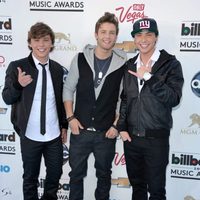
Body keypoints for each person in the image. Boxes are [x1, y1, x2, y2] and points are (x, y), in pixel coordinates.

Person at [117, 18, 184, 200]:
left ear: (156, 37)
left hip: (156, 140)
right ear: (134, 38)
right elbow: (125, 99)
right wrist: (122, 127)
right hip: (132, 140)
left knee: (156, 192)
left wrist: (149, 77)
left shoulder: (170, 64)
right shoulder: (130, 64)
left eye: (149, 34)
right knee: (137, 189)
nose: (143, 39)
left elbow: (173, 98)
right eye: (139, 35)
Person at [63, 12, 127, 200]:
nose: (107, 36)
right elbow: (68, 89)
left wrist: (116, 125)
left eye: (112, 32)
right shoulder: (80, 58)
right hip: (79, 130)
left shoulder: (123, 64)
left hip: (105, 133)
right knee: (75, 176)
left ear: (116, 36)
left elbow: (123, 99)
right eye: (103, 32)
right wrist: (70, 118)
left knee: (104, 176)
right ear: (96, 34)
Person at [2, 22, 68, 200]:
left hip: (53, 135)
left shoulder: (56, 69)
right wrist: (17, 84)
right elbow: (7, 98)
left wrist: (64, 125)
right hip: (30, 135)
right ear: (30, 42)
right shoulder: (18, 67)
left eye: (45, 40)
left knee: (54, 177)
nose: (41, 44)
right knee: (30, 179)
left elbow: (60, 100)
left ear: (51, 43)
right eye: (36, 40)